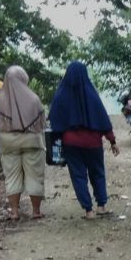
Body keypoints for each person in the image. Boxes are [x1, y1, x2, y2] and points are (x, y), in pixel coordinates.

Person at [49, 61, 119, 219]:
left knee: (78, 175)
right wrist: (112, 141)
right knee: (98, 173)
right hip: (93, 143)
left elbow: (53, 118)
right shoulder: (91, 93)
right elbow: (102, 118)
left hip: (71, 143)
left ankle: (88, 211)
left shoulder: (61, 94)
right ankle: (101, 206)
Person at [0, 65, 46, 221]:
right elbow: (42, 123)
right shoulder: (34, 99)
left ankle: (14, 212)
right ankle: (36, 211)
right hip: (32, 141)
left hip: (8, 142)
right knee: (35, 175)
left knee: (12, 177)